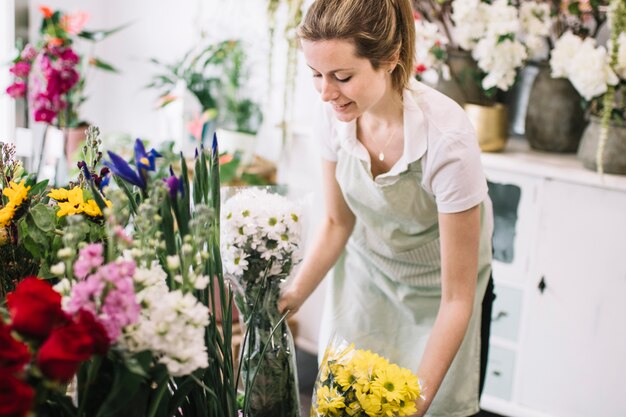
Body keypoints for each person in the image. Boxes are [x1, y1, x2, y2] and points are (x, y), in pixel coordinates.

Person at [278, 0, 494, 415]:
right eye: (316, 75)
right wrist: (290, 298)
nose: (326, 92)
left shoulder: (446, 140)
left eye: (342, 76)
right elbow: (336, 223)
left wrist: (416, 404)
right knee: (343, 398)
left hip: (440, 293)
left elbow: (457, 299)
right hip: (367, 275)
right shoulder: (333, 114)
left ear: (390, 59)